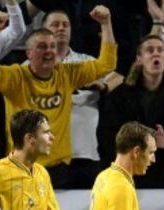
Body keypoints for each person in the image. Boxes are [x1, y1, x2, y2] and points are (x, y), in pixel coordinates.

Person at [0, 6, 117, 188]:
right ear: (29, 53)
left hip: (59, 171)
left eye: (52, 46)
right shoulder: (15, 77)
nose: (49, 51)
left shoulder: (67, 74)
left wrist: (106, 24)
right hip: (22, 168)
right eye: (41, 46)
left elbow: (107, 64)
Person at [98, 35, 164, 188]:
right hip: (131, 176)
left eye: (160, 50)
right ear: (139, 59)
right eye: (150, 50)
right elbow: (106, 136)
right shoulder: (120, 96)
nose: (156, 54)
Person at [43, 9, 124, 188]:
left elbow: (118, 77)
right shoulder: (33, 66)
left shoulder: (86, 62)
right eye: (55, 24)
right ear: (43, 31)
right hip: (49, 155)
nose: (61, 28)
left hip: (87, 152)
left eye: (65, 25)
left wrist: (103, 86)